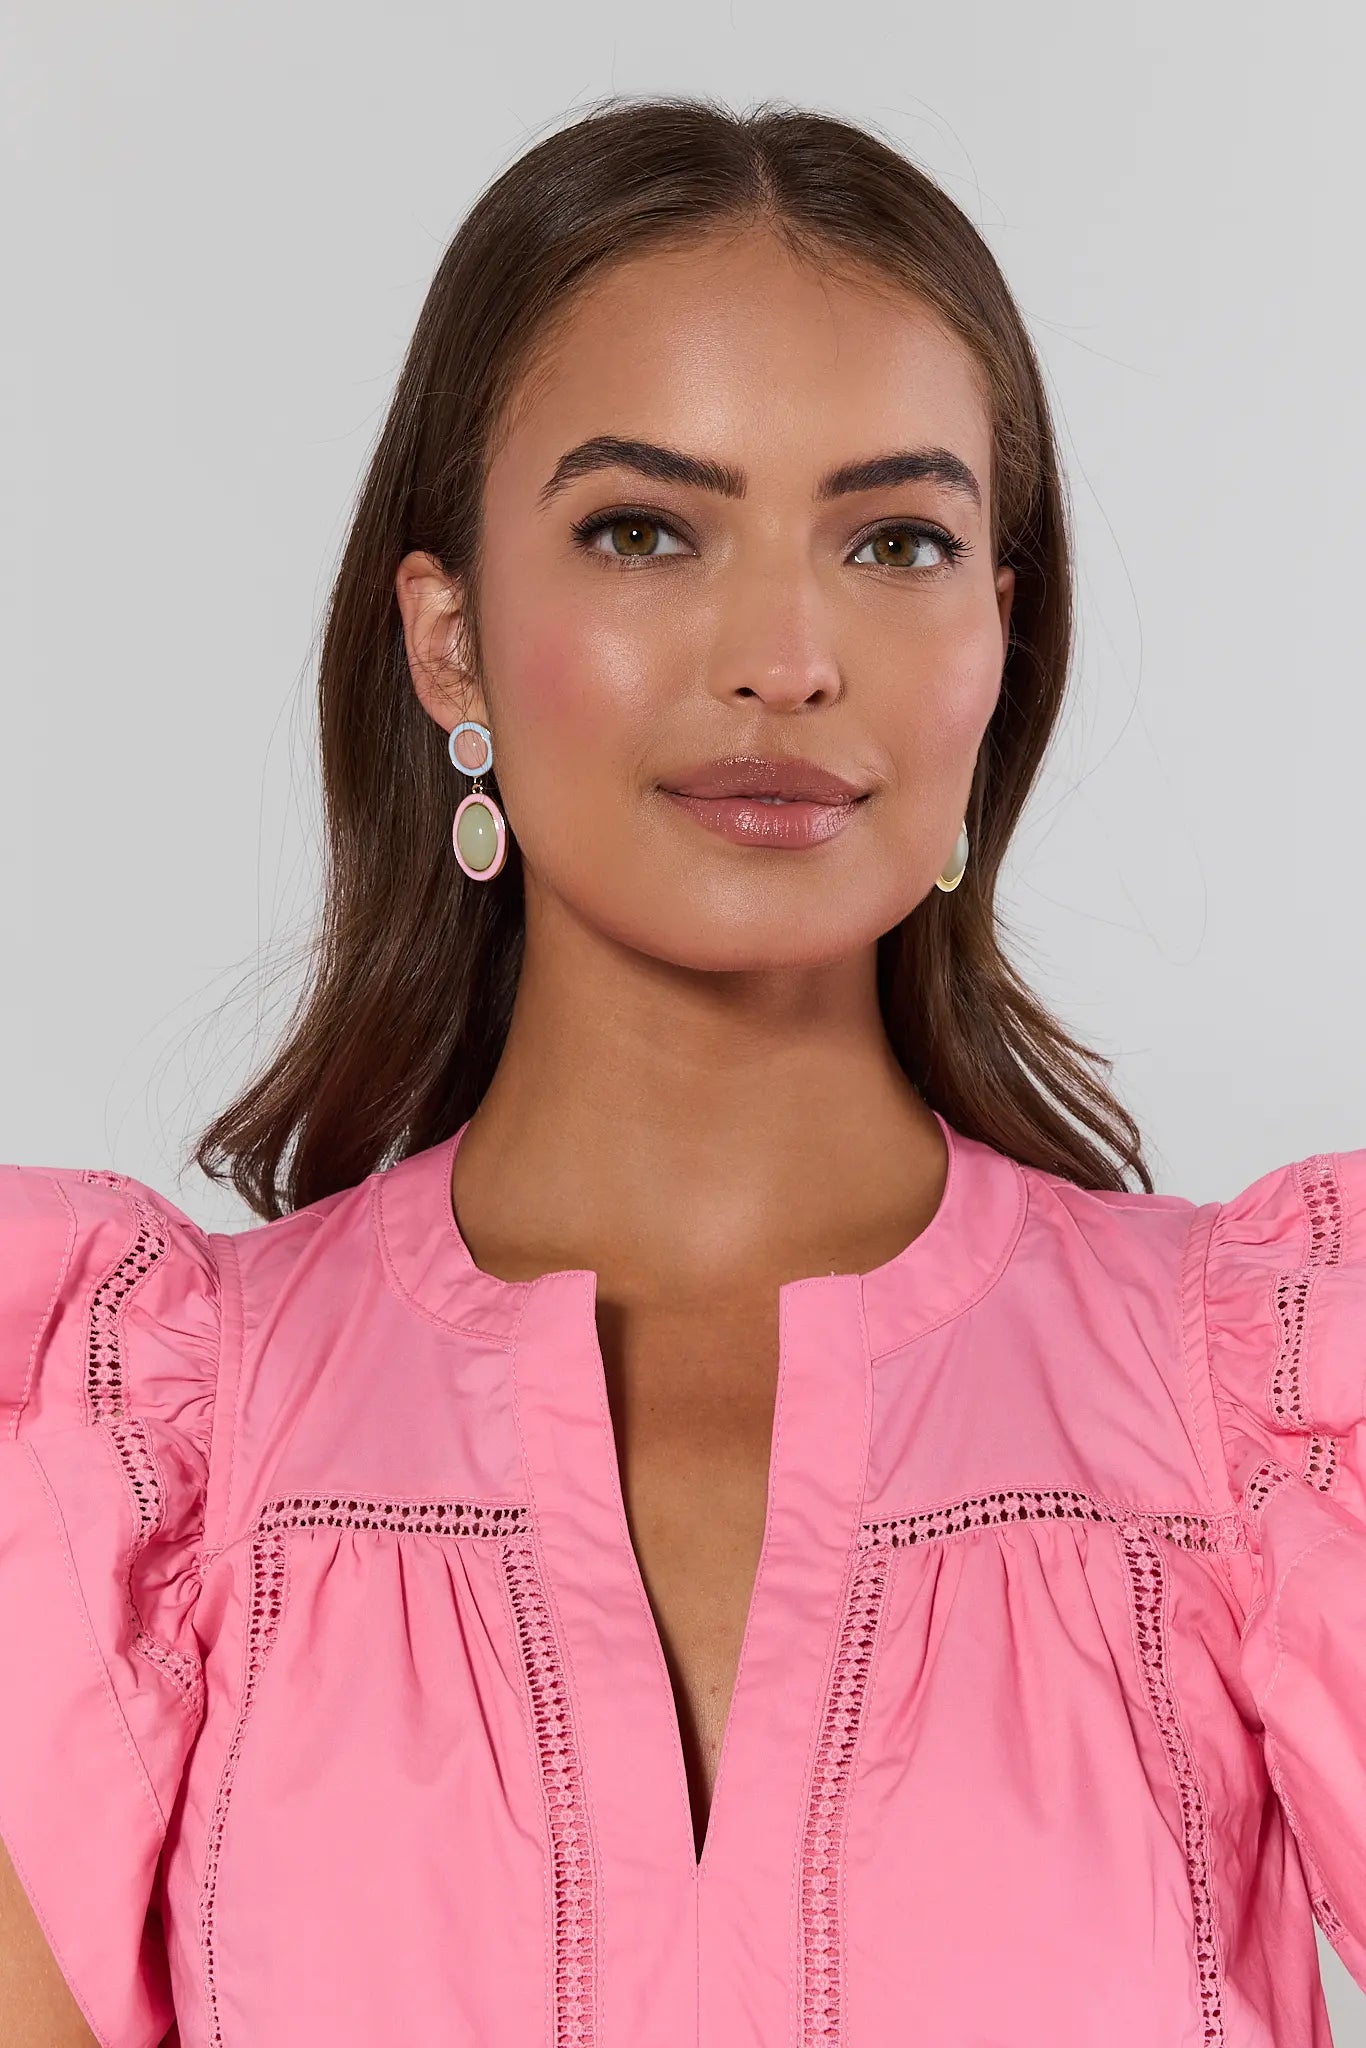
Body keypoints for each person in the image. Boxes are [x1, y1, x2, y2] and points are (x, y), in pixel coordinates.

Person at [1, 92, 1362, 2048]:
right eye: (644, 529)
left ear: (998, 635)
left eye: (893, 539)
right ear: (448, 640)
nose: (785, 653)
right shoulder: (122, 1474)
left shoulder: (1273, 1432)